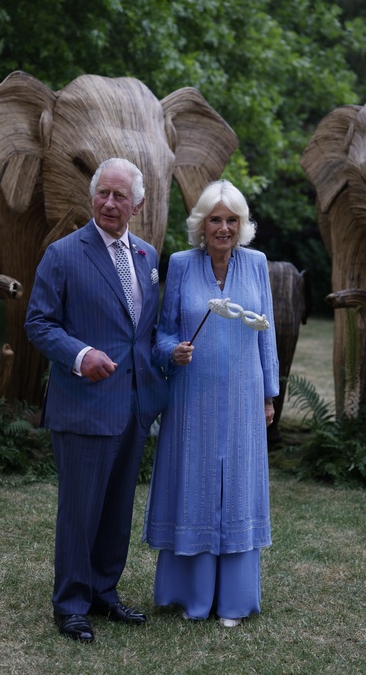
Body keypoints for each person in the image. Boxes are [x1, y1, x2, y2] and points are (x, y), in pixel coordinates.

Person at [25, 157, 168, 643]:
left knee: (117, 508)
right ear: (92, 197)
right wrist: (80, 354)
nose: (109, 202)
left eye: (119, 196)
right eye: (103, 193)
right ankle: (71, 604)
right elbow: (38, 323)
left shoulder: (147, 256)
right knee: (80, 511)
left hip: (133, 407)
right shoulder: (63, 254)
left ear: (137, 205)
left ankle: (104, 591)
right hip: (83, 404)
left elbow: (143, 331)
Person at [143, 179, 279, 627]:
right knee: (194, 485)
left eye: (231, 220)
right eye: (215, 219)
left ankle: (235, 601)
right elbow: (163, 332)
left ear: (242, 225)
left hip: (244, 396)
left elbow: (267, 334)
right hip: (191, 397)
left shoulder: (257, 264)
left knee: (238, 487)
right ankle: (193, 597)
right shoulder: (181, 264)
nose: (223, 228)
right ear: (202, 224)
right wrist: (172, 351)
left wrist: (269, 395)